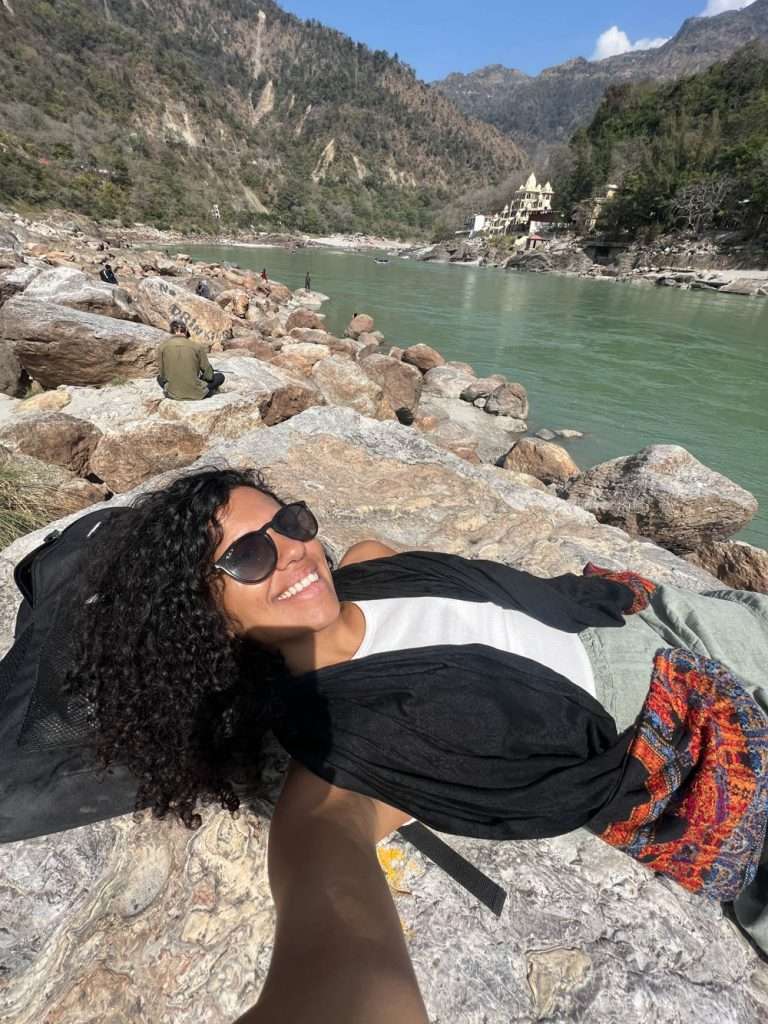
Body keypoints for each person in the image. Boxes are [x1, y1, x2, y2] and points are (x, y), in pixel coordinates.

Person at [65, 468, 768, 1020]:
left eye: (289, 522)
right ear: (211, 617)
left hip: (654, 617)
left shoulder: (372, 566)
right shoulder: (343, 754)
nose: (293, 553)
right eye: (249, 556)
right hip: (686, 729)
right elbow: (342, 939)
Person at [156, 320, 225, 401]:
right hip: (197, 394)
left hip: (173, 394)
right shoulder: (197, 347)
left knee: (158, 378)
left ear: (171, 332)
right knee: (220, 377)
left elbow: (162, 375)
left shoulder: (162, 347)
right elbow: (209, 376)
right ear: (186, 331)